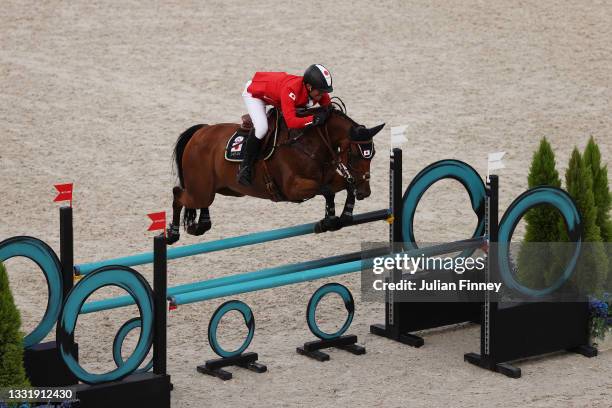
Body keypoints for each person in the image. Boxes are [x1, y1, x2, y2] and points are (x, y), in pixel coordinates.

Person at [237, 64, 334, 186]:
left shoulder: (318, 90)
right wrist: (314, 119)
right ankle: (245, 166)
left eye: (325, 92)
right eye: (320, 92)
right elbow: (291, 122)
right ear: (309, 87)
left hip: (275, 92)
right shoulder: (291, 90)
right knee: (262, 128)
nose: (323, 95)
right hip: (255, 94)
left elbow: (328, 109)